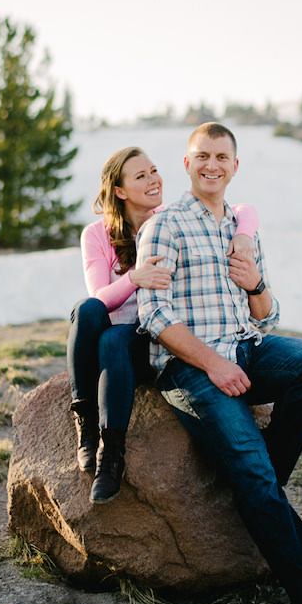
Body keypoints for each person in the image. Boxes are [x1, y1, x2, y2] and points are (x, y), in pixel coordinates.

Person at [135, 122, 302, 604]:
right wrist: (212, 363)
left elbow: (265, 316)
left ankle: (260, 485)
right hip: (189, 368)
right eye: (202, 156)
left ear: (235, 167)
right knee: (253, 475)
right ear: (187, 164)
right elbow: (153, 314)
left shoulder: (240, 226)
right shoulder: (165, 224)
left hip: (245, 350)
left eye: (221, 157)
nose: (212, 165)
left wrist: (254, 279)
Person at [67, 146, 258, 504]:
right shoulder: (97, 234)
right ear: (120, 191)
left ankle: (111, 457)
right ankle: (88, 427)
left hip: (157, 340)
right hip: (115, 344)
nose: (154, 180)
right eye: (141, 176)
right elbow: (101, 298)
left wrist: (244, 234)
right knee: (89, 312)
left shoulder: (171, 218)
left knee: (114, 338)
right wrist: (135, 278)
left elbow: (245, 210)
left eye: (154, 171)